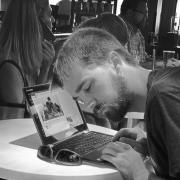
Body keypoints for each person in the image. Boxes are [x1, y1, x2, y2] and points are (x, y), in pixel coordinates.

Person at [54, 27, 180, 179]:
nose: (88, 105)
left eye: (88, 87)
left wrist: (138, 172)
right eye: (79, 99)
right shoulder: (164, 86)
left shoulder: (164, 94)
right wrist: (152, 144)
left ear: (115, 63)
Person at [0, 0, 55, 119]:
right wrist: (45, 70)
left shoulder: (30, 60)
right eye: (50, 15)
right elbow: (20, 126)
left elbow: (43, 110)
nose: (53, 20)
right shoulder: (10, 68)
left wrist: (45, 69)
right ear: (36, 21)